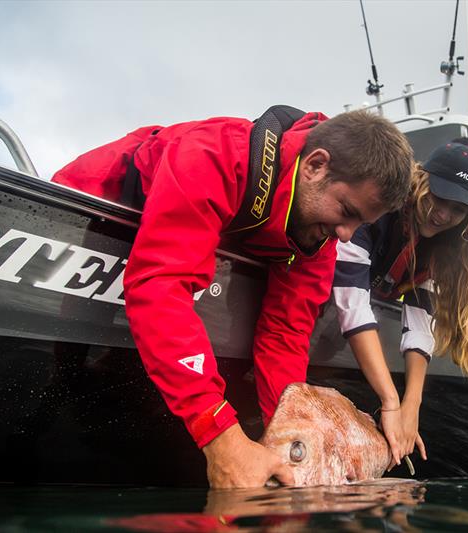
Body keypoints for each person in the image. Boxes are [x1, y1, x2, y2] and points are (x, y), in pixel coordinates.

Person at [51, 107, 414, 488]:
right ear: (315, 166)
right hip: (94, 213)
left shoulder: (319, 238)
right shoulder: (214, 154)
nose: (345, 235)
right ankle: (59, 387)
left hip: (182, 256)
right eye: (346, 211)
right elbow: (162, 286)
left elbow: (285, 335)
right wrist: (219, 434)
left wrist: (296, 445)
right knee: (72, 373)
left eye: (361, 226)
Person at [332, 141, 468, 464]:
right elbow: (353, 305)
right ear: (423, 178)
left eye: (458, 210)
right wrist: (390, 401)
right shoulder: (383, 203)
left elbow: (419, 326)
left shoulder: (442, 247)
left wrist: (410, 408)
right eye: (439, 197)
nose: (443, 214)